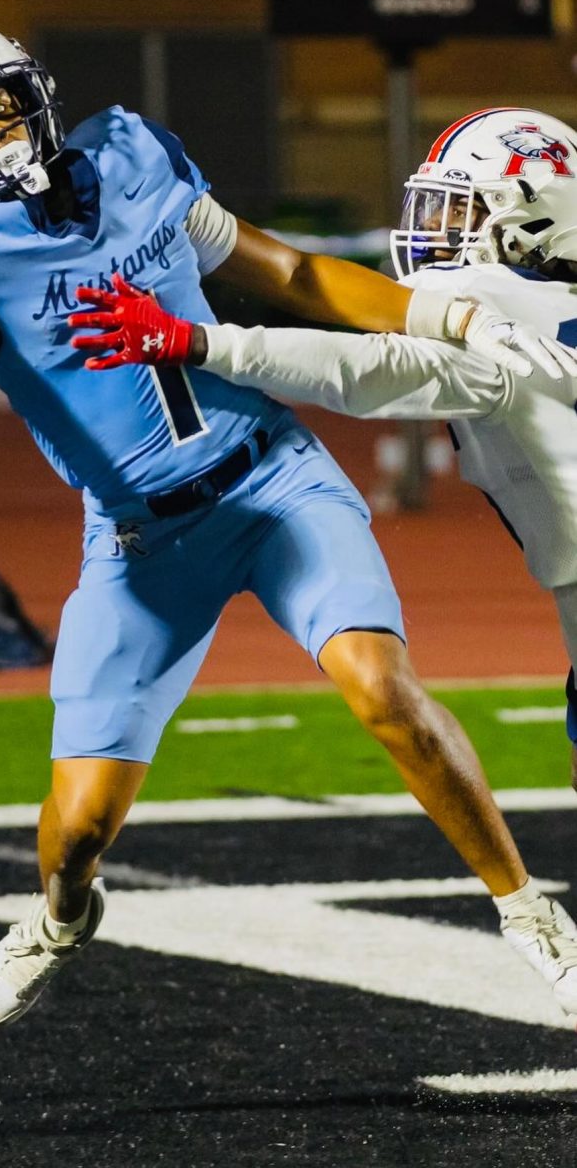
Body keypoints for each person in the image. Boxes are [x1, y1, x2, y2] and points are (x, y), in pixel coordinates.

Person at [0, 26, 574, 1031]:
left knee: (381, 687)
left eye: (2, 99)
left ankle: (527, 915)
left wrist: (443, 319)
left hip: (277, 481)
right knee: (76, 833)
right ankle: (62, 917)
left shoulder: (131, 157)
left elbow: (288, 273)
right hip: (142, 545)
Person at [70, 107, 577, 1022]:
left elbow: (360, 370)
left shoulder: (498, 316)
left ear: (536, 214)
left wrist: (196, 340)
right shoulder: (543, 304)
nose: (437, 235)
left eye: (462, 213)